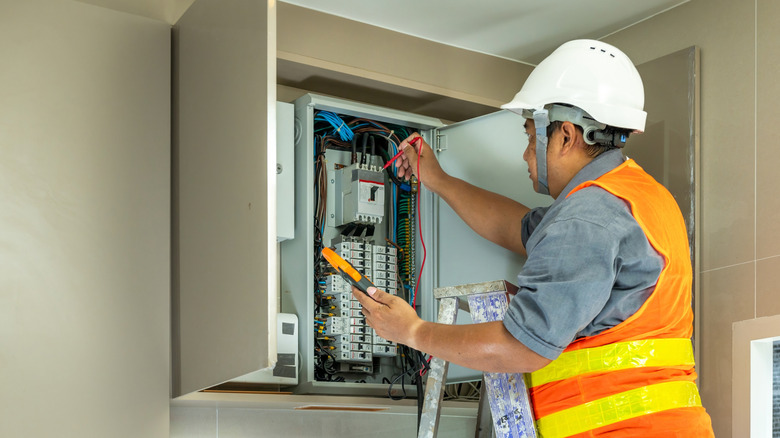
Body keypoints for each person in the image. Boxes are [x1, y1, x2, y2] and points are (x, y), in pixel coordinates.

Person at [352, 39, 715, 437]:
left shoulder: (588, 218)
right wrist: (437, 180)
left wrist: (413, 331)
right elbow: (516, 227)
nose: (526, 155)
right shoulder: (637, 197)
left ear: (565, 136)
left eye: (529, 137)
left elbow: (520, 345)